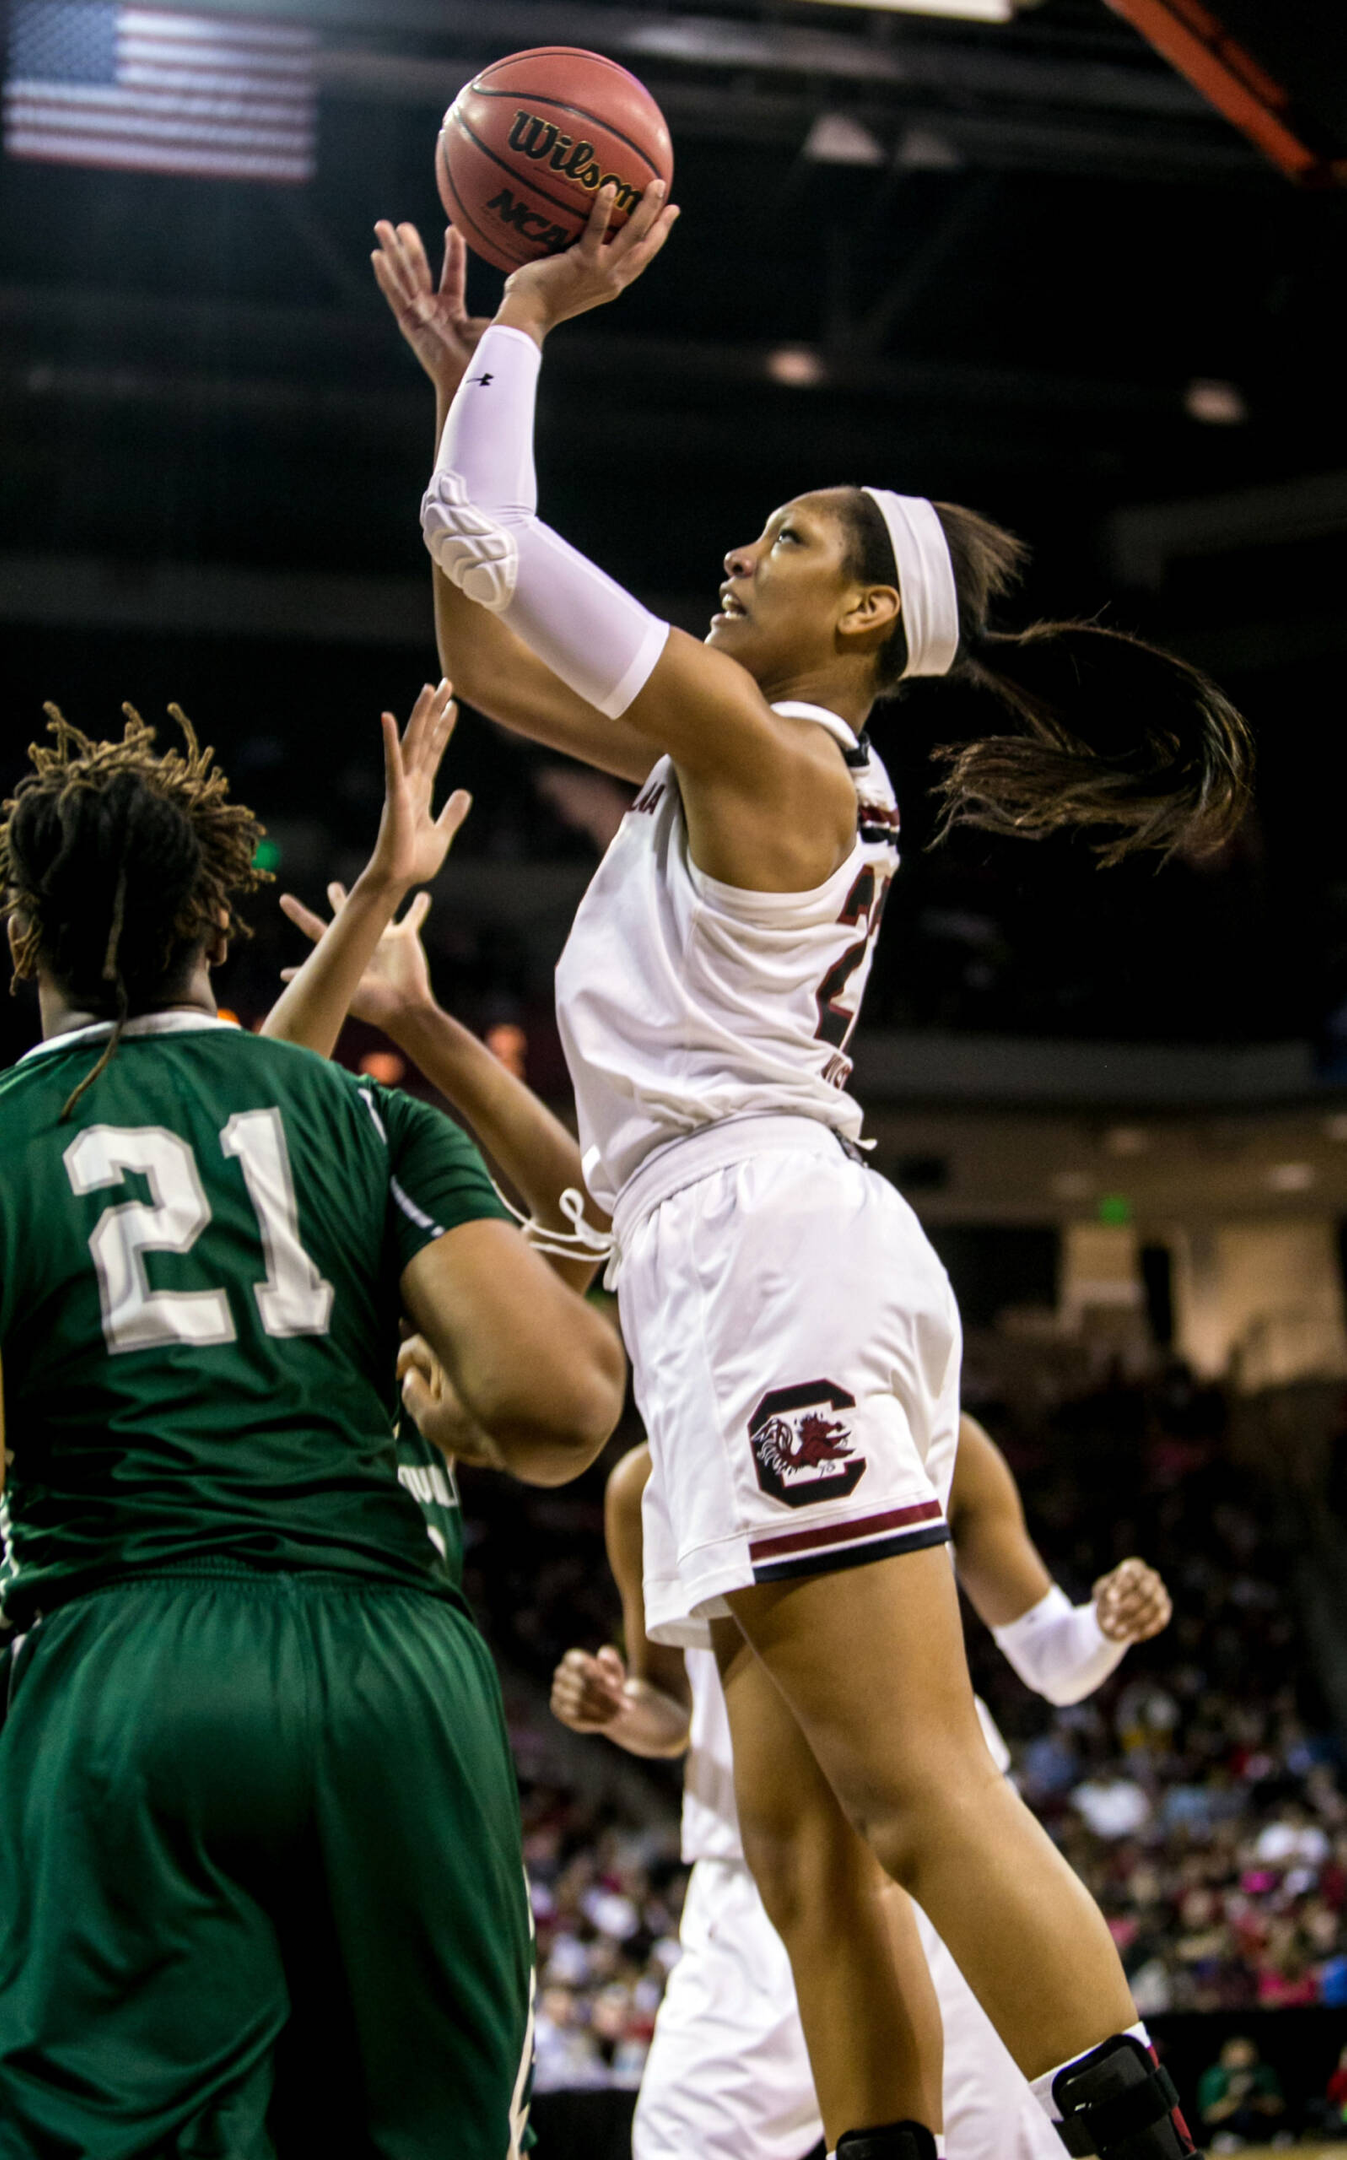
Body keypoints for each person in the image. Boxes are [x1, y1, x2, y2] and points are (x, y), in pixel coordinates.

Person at [367, 193, 1251, 2160]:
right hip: (718, 1269)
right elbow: (478, 626)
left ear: (864, 615)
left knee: (921, 1792)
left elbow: (496, 548)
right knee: (799, 1851)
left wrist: (521, 317)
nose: (736, 554)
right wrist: (463, 396)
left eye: (780, 541)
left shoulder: (775, 757)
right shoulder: (722, 762)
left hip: (777, 1263)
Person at [0, 685, 626, 2159]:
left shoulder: (13, 1142)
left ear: (22, 935)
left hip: (129, 1666)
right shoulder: (367, 1120)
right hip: (394, 1679)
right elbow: (559, 1408)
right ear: (215, 927)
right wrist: (457, 1407)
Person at [550, 1420, 1173, 2160]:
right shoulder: (644, 1481)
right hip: (756, 1869)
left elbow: (1051, 1658)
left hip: (930, 1848)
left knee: (998, 2145)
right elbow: (670, 1713)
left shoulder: (933, 1427)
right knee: (681, 2144)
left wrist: (1101, 1629)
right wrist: (619, 1710)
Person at [1195, 2037, 1287, 2151]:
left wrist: (1254, 2099)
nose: (1242, 2061)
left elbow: (1278, 2107)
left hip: (1264, 2133)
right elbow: (1208, 2116)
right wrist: (1234, 2098)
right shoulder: (1214, 2077)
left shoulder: (1264, 2073)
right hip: (1227, 2135)